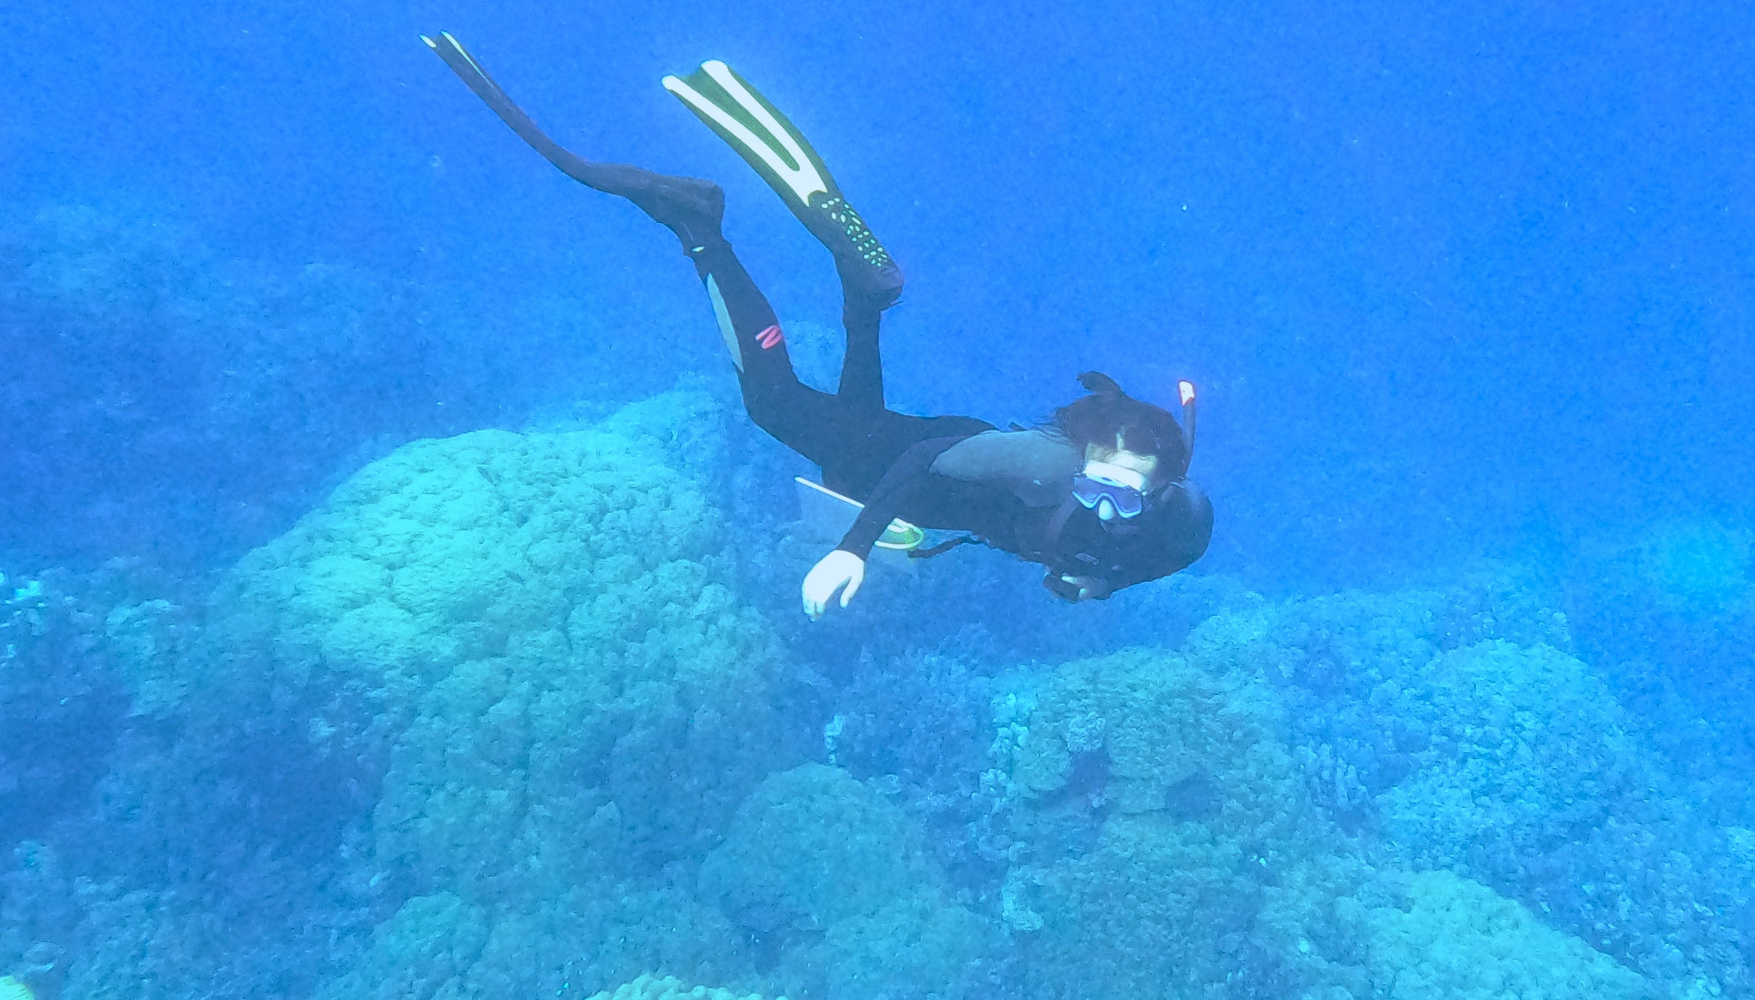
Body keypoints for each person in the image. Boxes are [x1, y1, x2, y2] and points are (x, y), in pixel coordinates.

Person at [425, 37, 1213, 615]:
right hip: (916, 465)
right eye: (1099, 483)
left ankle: (864, 299)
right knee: (775, 408)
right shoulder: (1046, 463)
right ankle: (698, 225)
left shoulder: (1169, 540)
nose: (1105, 504)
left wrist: (1093, 581)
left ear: (1163, 497)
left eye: (1126, 499)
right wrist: (851, 550)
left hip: (907, 474)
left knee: (852, 438)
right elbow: (923, 459)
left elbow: (1132, 555)